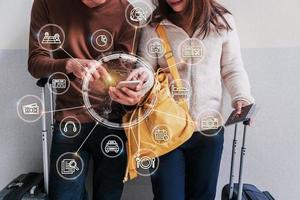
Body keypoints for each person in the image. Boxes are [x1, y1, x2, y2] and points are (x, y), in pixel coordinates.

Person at [28, 0, 151, 199]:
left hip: (113, 122)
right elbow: (35, 63)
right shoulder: (47, 4)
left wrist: (133, 93)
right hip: (69, 121)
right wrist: (68, 64)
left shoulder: (128, 13)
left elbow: (124, 72)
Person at [137, 0, 255, 199]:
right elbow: (145, 67)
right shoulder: (154, 25)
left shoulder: (221, 22)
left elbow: (232, 67)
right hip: (166, 129)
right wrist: (140, 78)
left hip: (208, 130)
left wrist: (241, 97)